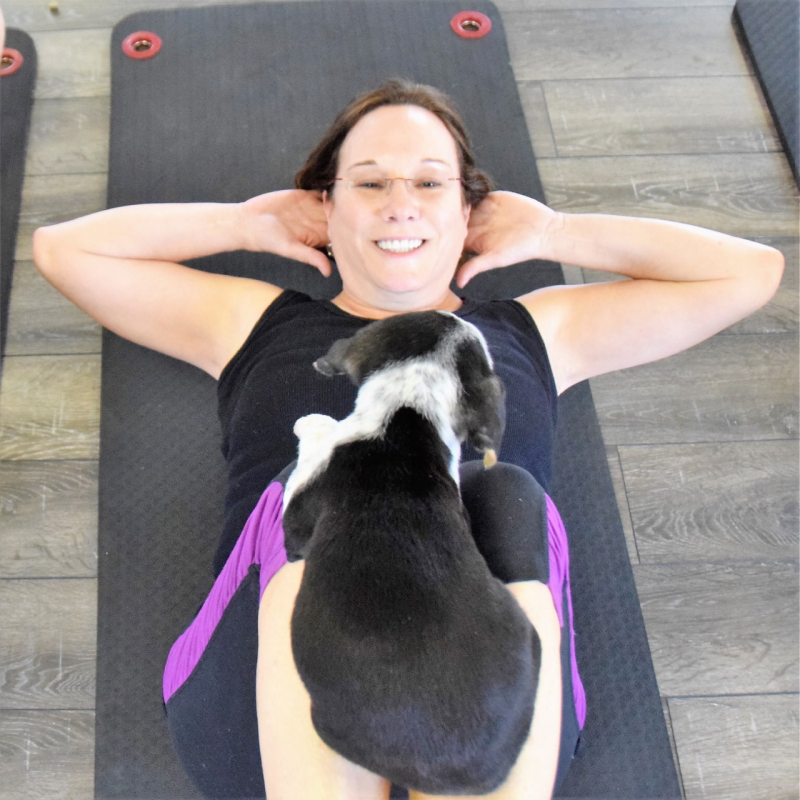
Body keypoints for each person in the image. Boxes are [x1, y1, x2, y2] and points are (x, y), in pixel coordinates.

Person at [32, 80, 783, 800]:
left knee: (506, 500)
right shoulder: (255, 322)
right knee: (334, 474)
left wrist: (554, 232)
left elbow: (749, 272)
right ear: (322, 210)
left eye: (430, 184)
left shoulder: (536, 329)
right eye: (368, 184)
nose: (399, 205)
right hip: (257, 725)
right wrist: (245, 223)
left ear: (470, 214)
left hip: (486, 724)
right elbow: (67, 252)